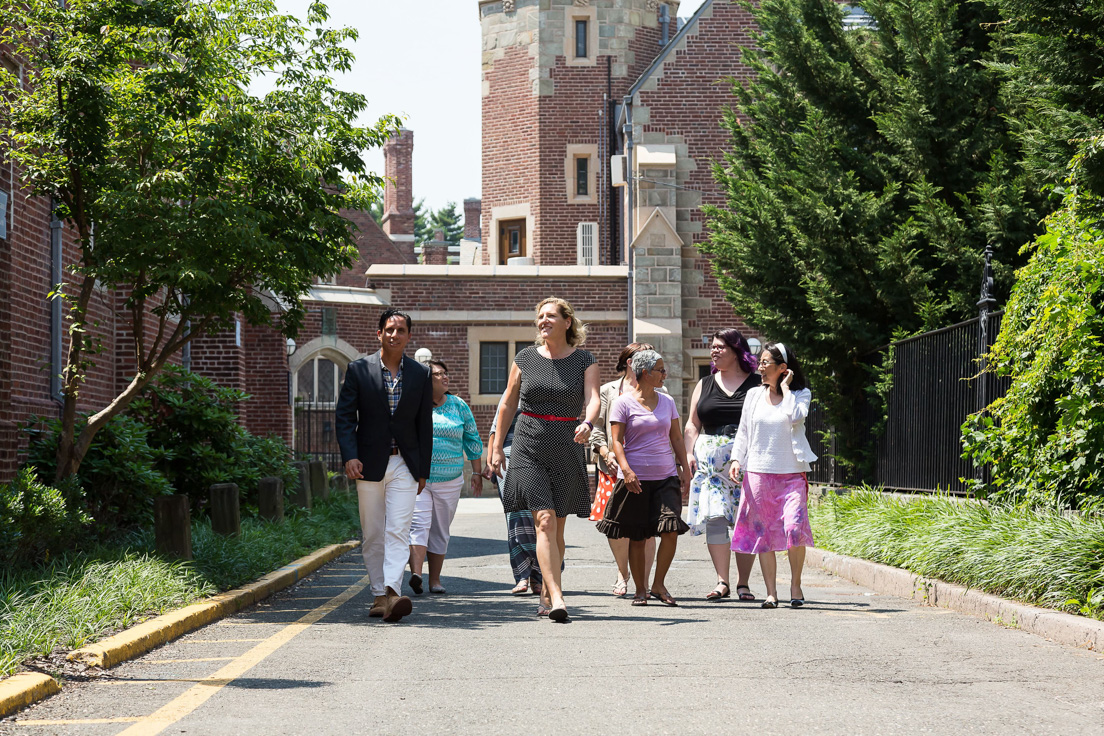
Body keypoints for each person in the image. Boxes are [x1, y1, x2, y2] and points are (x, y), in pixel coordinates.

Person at [489, 297, 601, 623]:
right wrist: (496, 446)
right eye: (540, 316)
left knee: (558, 529)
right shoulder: (524, 358)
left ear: (568, 321)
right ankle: (558, 596)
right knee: (544, 521)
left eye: (550, 315)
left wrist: (588, 423)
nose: (543, 321)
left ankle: (546, 590)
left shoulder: (584, 360)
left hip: (566, 443)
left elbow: (593, 399)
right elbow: (508, 404)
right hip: (528, 443)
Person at [335, 308, 433, 623]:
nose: (394, 335)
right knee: (374, 532)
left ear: (408, 336)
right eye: (389, 329)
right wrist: (350, 455)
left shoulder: (421, 374)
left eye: (400, 330)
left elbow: (424, 425)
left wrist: (422, 470)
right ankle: (378, 594)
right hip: (367, 464)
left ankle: (392, 591)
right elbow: (345, 417)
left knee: (398, 530)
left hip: (404, 464)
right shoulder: (358, 370)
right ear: (379, 334)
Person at [597, 350, 690, 606]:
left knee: (670, 530)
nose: (664, 374)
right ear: (645, 373)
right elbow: (616, 441)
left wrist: (685, 469)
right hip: (635, 478)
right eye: (660, 369)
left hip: (666, 475)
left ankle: (658, 584)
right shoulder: (623, 402)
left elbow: (677, 438)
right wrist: (625, 470)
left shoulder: (667, 402)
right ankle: (640, 589)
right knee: (638, 536)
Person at [728, 342, 817, 609]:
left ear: (783, 368)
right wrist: (736, 459)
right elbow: (743, 431)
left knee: (793, 528)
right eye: (761, 361)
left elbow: (794, 417)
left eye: (766, 362)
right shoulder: (754, 395)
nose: (761, 366)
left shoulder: (800, 395)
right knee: (764, 534)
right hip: (758, 472)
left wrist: (787, 388)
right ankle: (771, 592)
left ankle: (795, 585)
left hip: (791, 474)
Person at [684, 329, 762, 602]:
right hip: (711, 470)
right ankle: (722, 581)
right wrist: (689, 452)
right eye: (713, 347)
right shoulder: (704, 383)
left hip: (747, 463)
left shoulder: (757, 384)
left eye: (721, 347)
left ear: (737, 351)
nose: (714, 351)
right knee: (715, 518)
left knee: (745, 521)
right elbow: (693, 423)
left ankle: (743, 583)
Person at [407, 360, 483, 596]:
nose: (444, 377)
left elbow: (472, 439)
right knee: (419, 525)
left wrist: (477, 472)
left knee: (440, 529)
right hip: (419, 478)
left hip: (449, 479)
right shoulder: (416, 405)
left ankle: (435, 580)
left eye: (445, 373)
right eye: (437, 374)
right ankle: (417, 575)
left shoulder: (459, 405)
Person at [590, 343, 658, 597]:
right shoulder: (609, 390)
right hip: (613, 469)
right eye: (645, 355)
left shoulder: (658, 391)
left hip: (649, 469)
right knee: (616, 526)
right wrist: (605, 452)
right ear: (630, 362)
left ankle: (645, 580)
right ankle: (623, 572)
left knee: (648, 526)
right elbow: (596, 427)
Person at [483, 395, 543, 597]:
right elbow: (495, 429)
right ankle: (522, 575)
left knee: (543, 516)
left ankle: (541, 576)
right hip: (510, 454)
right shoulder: (513, 391)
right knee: (516, 515)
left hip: (542, 453)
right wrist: (490, 459)